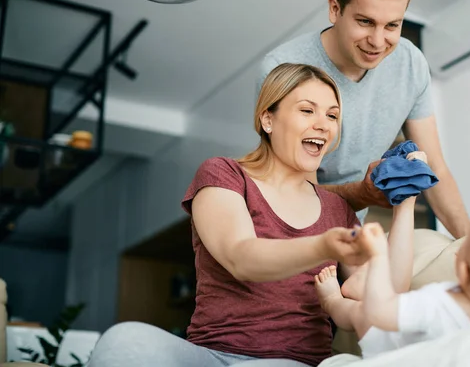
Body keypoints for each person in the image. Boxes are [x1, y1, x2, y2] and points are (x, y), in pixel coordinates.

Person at [86, 63, 373, 367]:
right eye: (307, 111)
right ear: (268, 119)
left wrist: (404, 202)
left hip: (289, 362)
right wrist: (323, 246)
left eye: (332, 115)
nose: (323, 124)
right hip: (210, 356)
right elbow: (242, 258)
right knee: (124, 340)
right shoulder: (224, 174)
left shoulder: (337, 211)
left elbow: (368, 300)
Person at [257, 0, 470, 240]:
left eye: (392, 25)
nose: (378, 41)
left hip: (352, 229)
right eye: (366, 22)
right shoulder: (281, 69)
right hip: (291, 231)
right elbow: (291, 189)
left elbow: (436, 168)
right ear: (335, 9)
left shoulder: (411, 64)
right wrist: (361, 192)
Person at [314, 203, 470, 359]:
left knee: (358, 311)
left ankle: (332, 299)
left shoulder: (437, 304)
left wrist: (378, 257)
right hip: (406, 325)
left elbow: (378, 312)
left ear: (463, 270)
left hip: (383, 342)